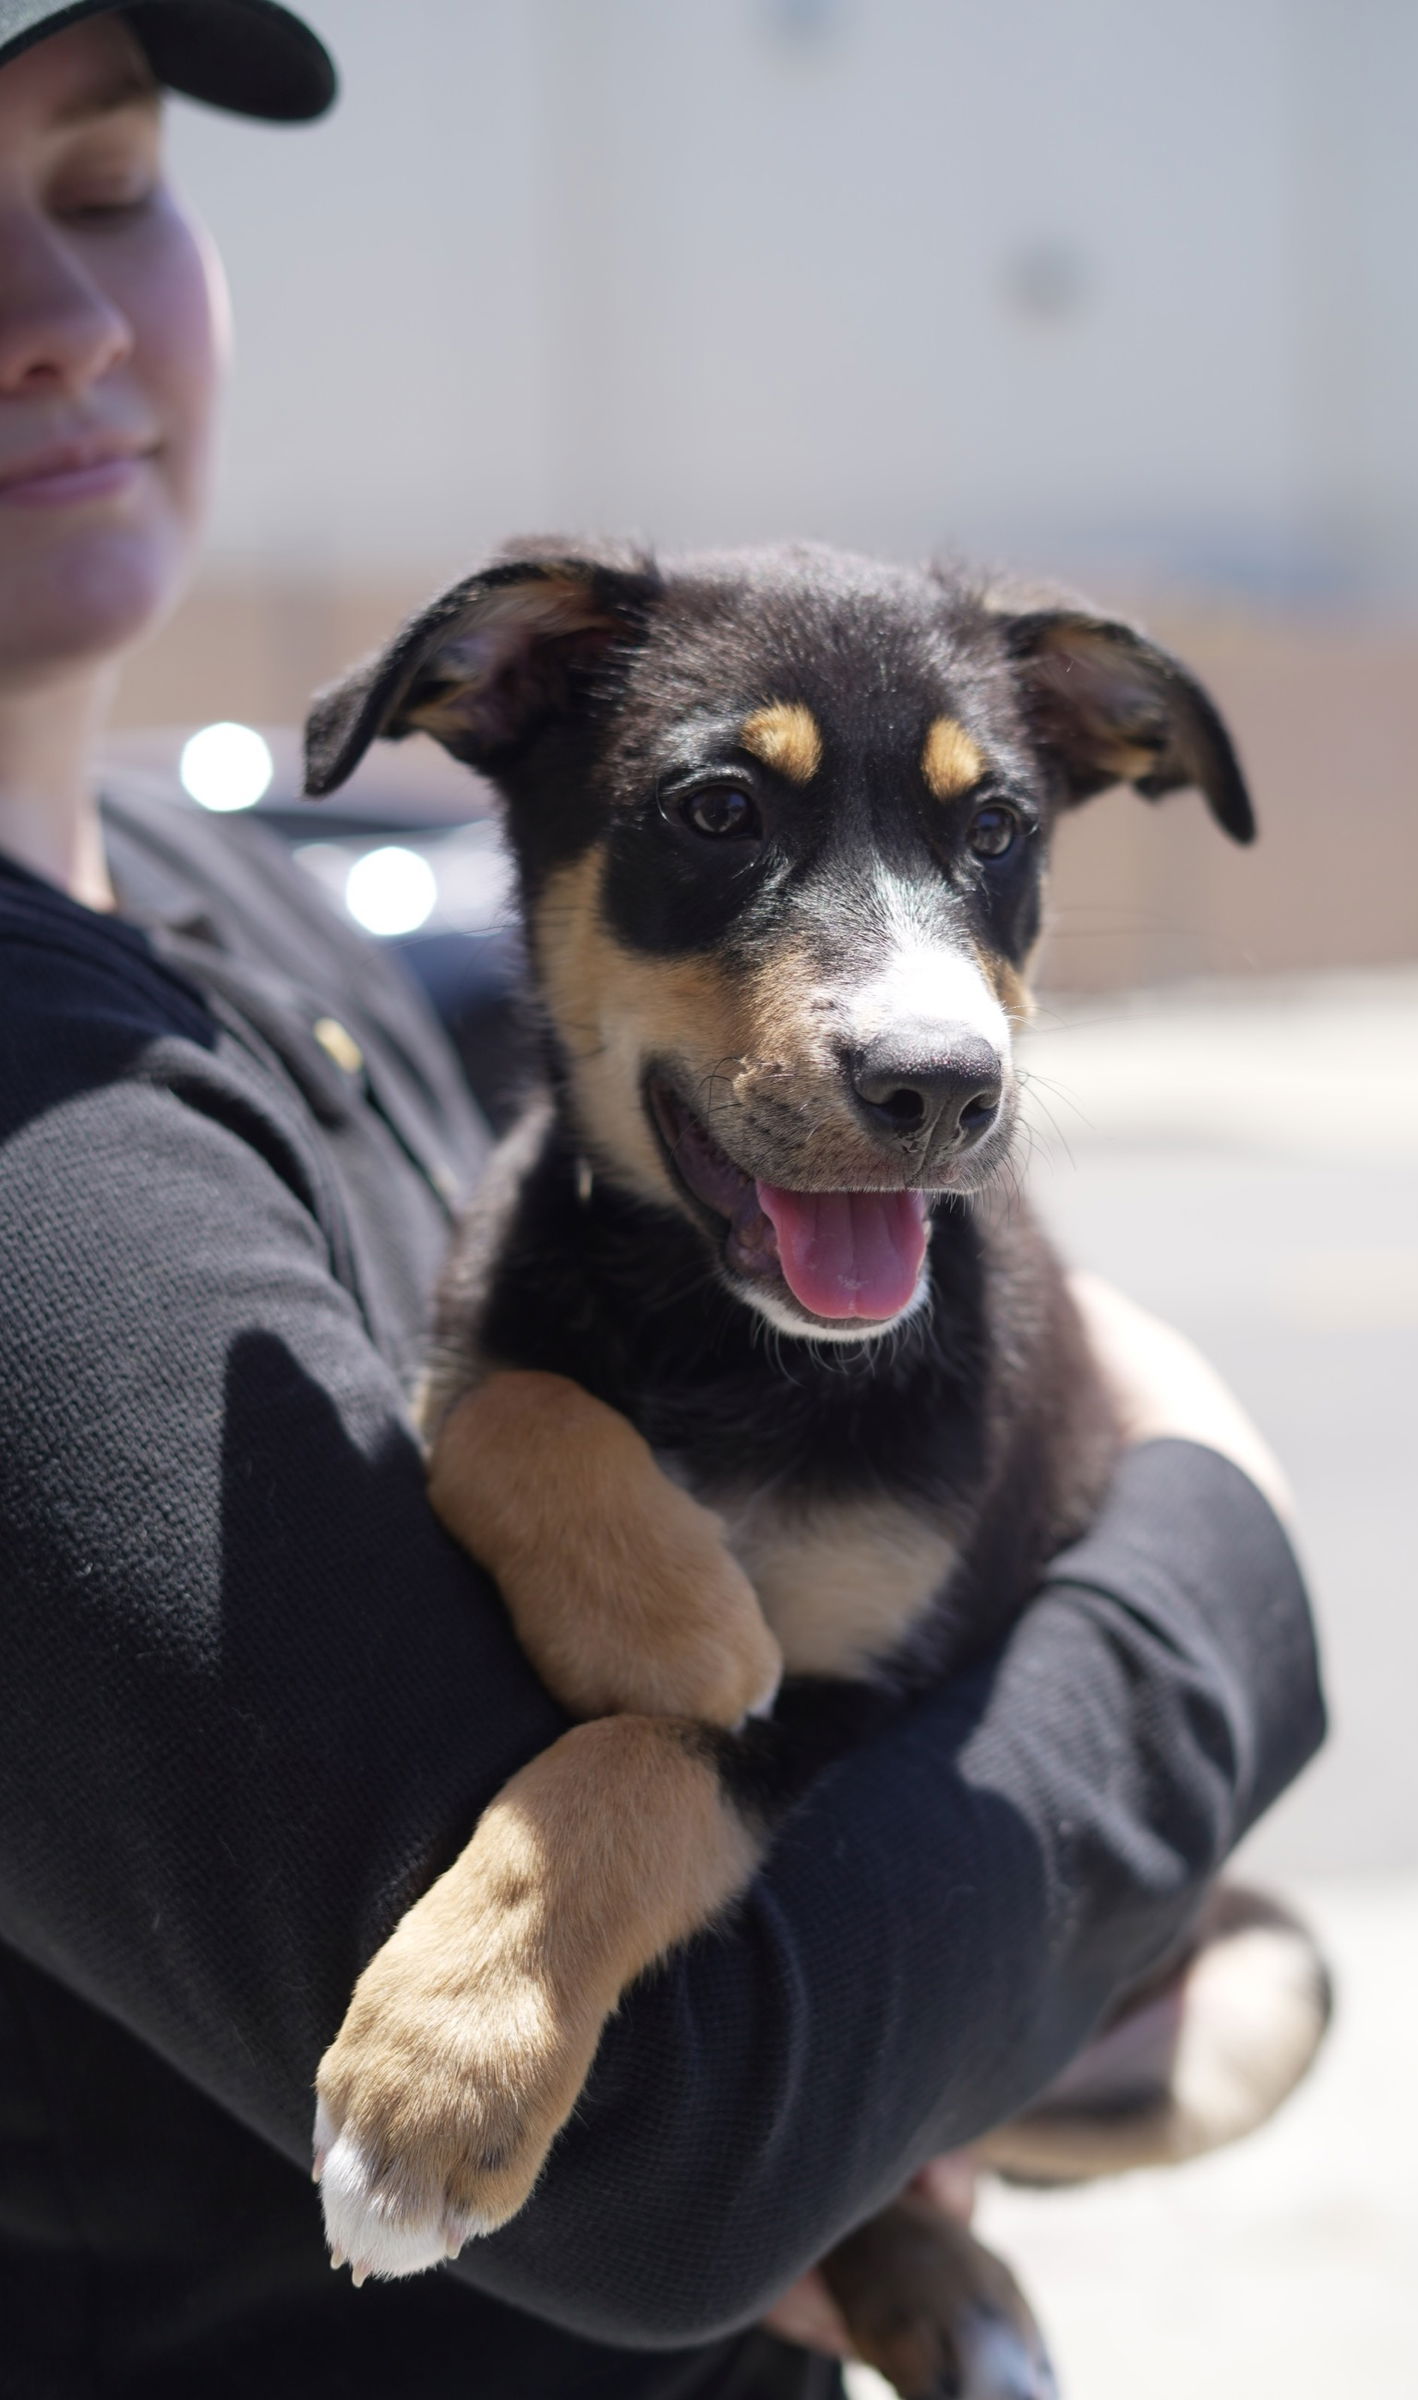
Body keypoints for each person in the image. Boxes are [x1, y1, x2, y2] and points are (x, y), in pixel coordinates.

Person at [0, 6, 1326, 2395]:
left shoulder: (244, 912)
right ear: (493, 711)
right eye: (724, 818)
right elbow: (674, 2161)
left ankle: (941, 2256)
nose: (58, 322)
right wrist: (1214, 1537)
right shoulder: (44, 1128)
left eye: (104, 193)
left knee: (1258, 1995)